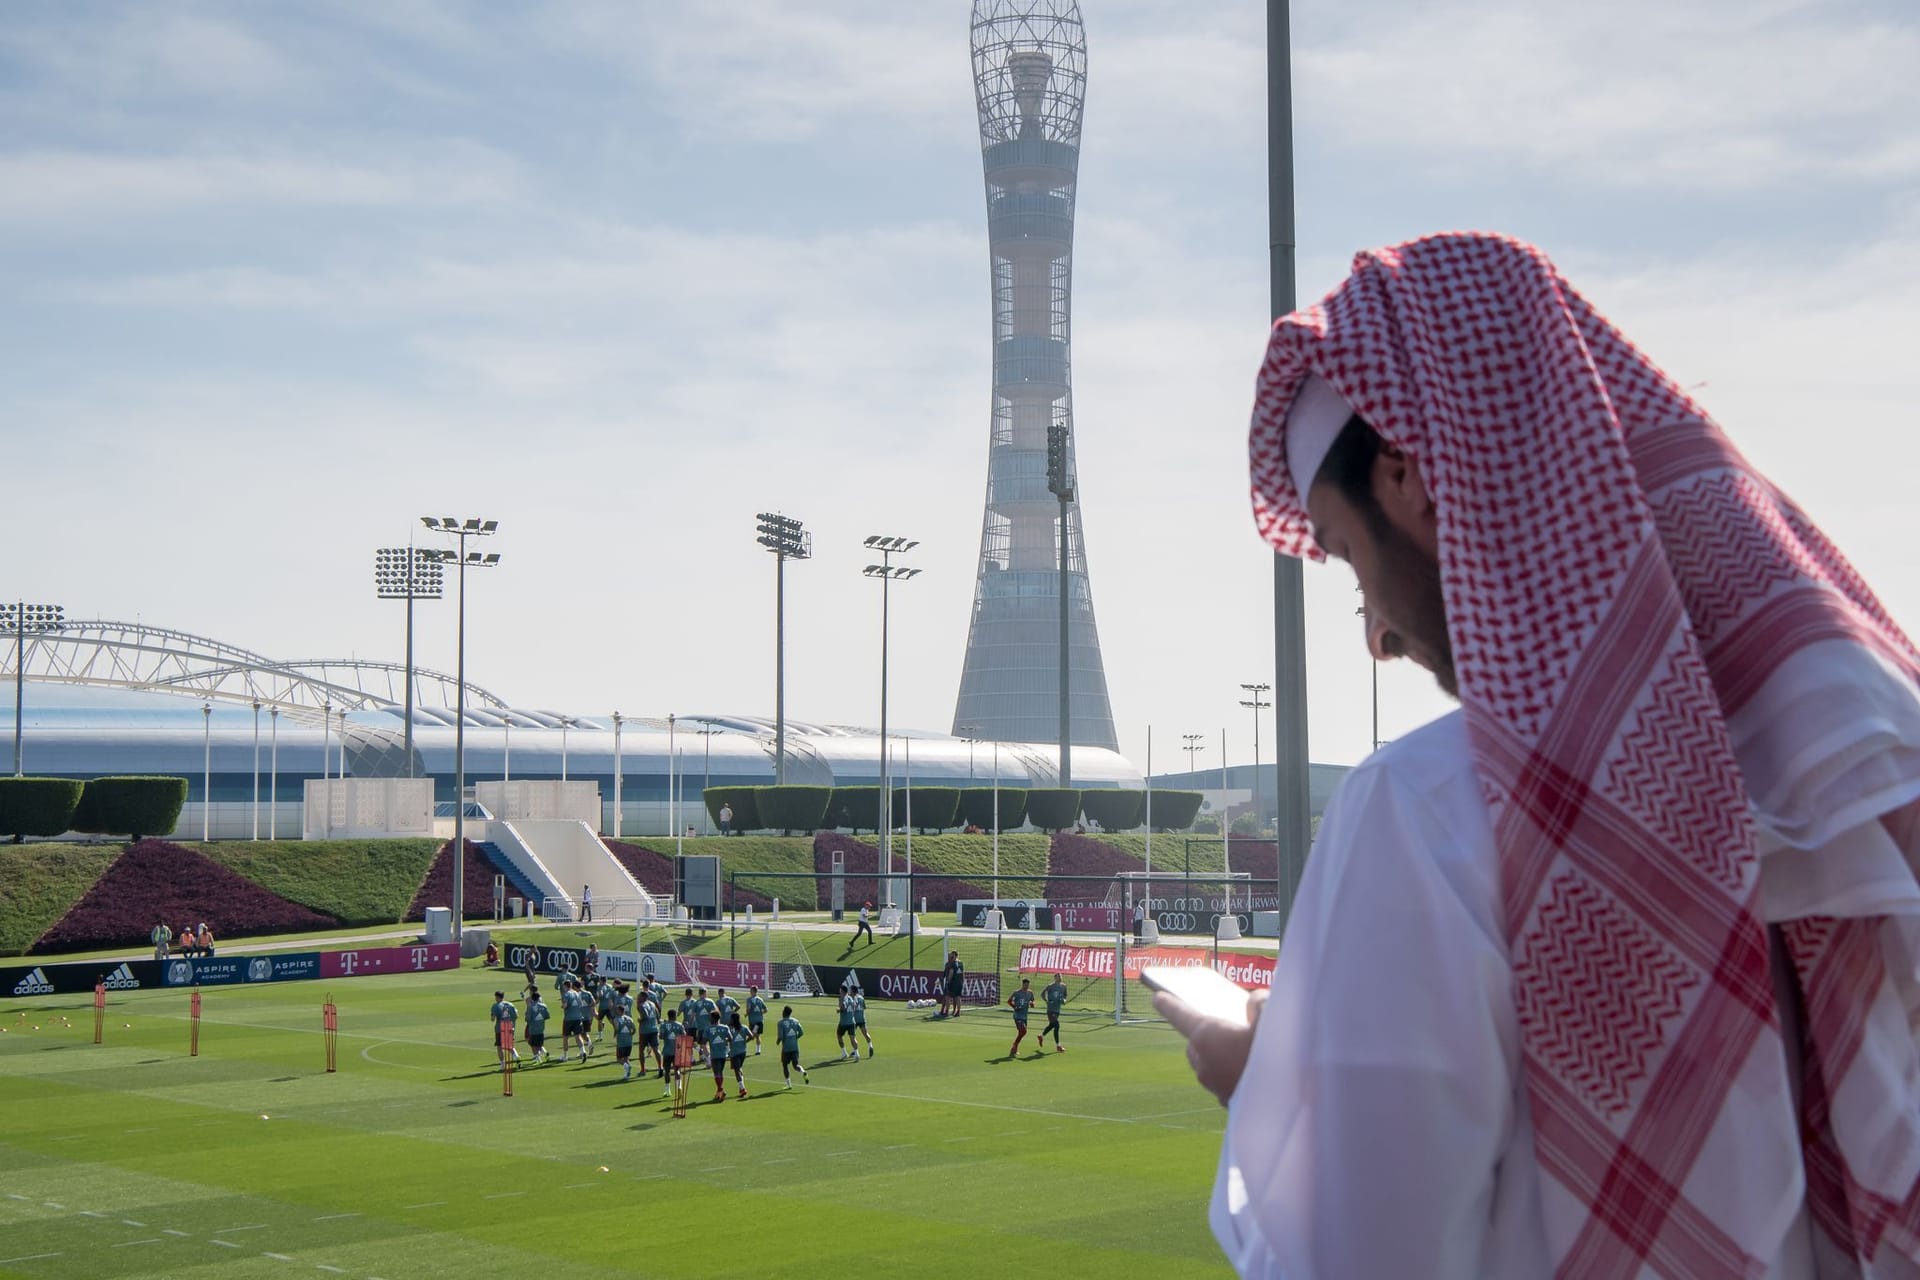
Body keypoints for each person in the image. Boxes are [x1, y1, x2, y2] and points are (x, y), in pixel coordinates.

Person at [1163, 230, 1920, 1277]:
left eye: (1349, 562)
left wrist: (1268, 1083)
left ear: (1412, 482)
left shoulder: (1428, 812)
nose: (1375, 631)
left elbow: (1361, 1254)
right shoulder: (1868, 769)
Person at [775, 1005, 808, 1088]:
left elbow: (781, 1036)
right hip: (795, 1047)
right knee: (796, 1065)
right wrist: (795, 1037)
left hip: (786, 1048)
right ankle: (803, 1071)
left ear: (784, 1012)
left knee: (785, 1065)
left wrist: (778, 1042)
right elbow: (801, 1032)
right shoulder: (795, 1021)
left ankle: (788, 1084)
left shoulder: (781, 1023)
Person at [488, 990, 519, 1069]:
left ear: (497, 997)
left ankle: (502, 1065)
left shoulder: (495, 1006)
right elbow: (516, 1016)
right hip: (509, 1027)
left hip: (500, 1028)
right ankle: (516, 1056)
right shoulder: (510, 1004)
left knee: (499, 1046)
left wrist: (493, 1015)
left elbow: (492, 1019)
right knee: (509, 1045)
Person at [1036, 973, 1067, 1053]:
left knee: (1052, 1025)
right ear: (1055, 978)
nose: (1060, 977)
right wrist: (1046, 1001)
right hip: (1051, 1009)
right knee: (1056, 1025)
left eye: (1061, 976)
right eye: (1058, 976)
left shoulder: (1063, 986)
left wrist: (1064, 1000)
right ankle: (1058, 1046)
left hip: (1057, 1010)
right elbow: (1042, 994)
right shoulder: (1050, 986)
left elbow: (1065, 996)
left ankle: (1041, 1036)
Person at [706, 1015, 734, 1101]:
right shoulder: (725, 1028)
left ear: (713, 1018)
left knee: (717, 1073)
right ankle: (718, 1093)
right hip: (723, 1054)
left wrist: (706, 1055)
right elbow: (731, 1038)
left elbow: (703, 1042)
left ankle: (721, 1090)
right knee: (720, 1072)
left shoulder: (708, 1029)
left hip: (714, 1054)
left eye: (710, 1017)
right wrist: (724, 1040)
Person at [1006, 978, 1034, 1058]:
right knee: (1023, 1031)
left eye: (1028, 985)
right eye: (1025, 985)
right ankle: (1015, 1045)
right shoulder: (1017, 993)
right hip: (1017, 1016)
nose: (1027, 986)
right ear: (1022, 984)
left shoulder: (1030, 993)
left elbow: (1033, 1001)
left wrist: (1032, 1004)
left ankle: (1014, 1048)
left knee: (1021, 1032)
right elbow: (1009, 1001)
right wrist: (1015, 1007)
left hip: (1025, 1016)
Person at [659, 1010, 684, 1096]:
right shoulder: (679, 1025)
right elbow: (684, 1036)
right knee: (677, 1070)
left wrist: (666, 1033)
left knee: (667, 1071)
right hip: (677, 1051)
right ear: (675, 1016)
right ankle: (679, 1086)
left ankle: (667, 1090)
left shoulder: (664, 1025)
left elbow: (661, 1036)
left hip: (667, 1051)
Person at [637, 985, 660, 1075]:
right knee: (656, 1049)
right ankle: (660, 1067)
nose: (638, 998)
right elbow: (657, 1015)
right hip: (654, 1029)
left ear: (643, 997)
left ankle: (643, 1069)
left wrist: (640, 1019)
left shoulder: (641, 1005)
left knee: (641, 1050)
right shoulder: (652, 1004)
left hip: (645, 1031)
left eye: (639, 996)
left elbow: (645, 1015)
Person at [726, 1012, 750, 1099]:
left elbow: (727, 1039)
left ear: (733, 1020)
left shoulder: (731, 1029)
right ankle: (741, 1088)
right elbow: (751, 1036)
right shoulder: (744, 1027)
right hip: (743, 1052)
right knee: (739, 1068)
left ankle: (742, 1088)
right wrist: (745, 1041)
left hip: (734, 1053)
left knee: (737, 1071)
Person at [523, 989, 551, 1064]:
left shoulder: (531, 1007)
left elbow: (528, 1019)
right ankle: (545, 1053)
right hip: (541, 1028)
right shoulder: (544, 1006)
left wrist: (526, 1017)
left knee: (533, 1045)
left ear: (532, 998)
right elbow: (547, 1016)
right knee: (539, 1044)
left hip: (533, 1029)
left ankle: (538, 1059)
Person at [612, 1007, 637, 1081]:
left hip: (621, 1041)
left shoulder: (616, 1019)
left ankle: (627, 1066)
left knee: (619, 1059)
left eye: (617, 1010)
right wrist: (630, 1034)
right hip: (629, 1041)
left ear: (619, 1010)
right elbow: (634, 1029)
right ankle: (626, 1075)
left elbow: (617, 1029)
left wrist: (615, 1036)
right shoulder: (629, 1018)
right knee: (626, 1058)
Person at [836, 987, 859, 1061]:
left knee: (839, 1036)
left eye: (840, 991)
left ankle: (844, 1053)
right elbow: (855, 1006)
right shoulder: (850, 998)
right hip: (852, 1022)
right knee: (853, 1038)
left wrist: (839, 1010)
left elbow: (843, 1007)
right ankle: (857, 1054)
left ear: (842, 991)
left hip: (843, 1023)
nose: (839, 992)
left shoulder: (843, 998)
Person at [940, 951, 965, 1018]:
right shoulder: (961, 963)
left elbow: (951, 973)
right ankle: (957, 1012)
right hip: (959, 983)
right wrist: (963, 981)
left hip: (953, 983)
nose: (950, 957)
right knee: (957, 997)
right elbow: (962, 973)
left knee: (947, 997)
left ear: (955, 955)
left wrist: (948, 981)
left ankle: (946, 1012)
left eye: (951, 956)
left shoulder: (952, 964)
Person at [745, 986, 768, 1055]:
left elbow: (748, 1009)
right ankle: (758, 1050)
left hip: (754, 1021)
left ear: (753, 991)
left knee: (752, 1035)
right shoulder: (760, 999)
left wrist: (747, 1014)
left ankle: (743, 1044)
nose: (750, 992)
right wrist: (760, 1013)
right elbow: (766, 1009)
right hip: (759, 1021)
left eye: (751, 990)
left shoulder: (749, 1000)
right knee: (757, 1036)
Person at [851, 987, 873, 1058]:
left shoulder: (854, 998)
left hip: (855, 1019)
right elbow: (864, 1007)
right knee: (865, 1033)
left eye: (851, 991)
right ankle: (870, 1046)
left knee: (852, 1036)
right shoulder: (861, 997)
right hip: (862, 1019)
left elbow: (855, 1006)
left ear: (853, 991)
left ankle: (855, 1051)